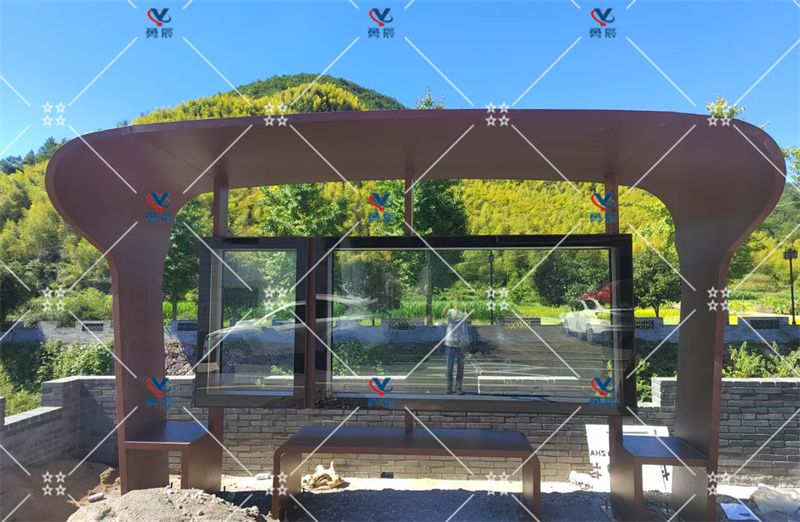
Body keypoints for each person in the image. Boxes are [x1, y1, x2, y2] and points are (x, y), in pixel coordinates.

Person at [443, 299, 469, 395]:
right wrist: (447, 306)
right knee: (452, 366)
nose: (457, 302)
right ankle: (451, 387)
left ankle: (456, 387)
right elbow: (443, 314)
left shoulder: (463, 312)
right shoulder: (450, 312)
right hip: (452, 342)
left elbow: (470, 314)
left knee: (457, 367)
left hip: (459, 342)